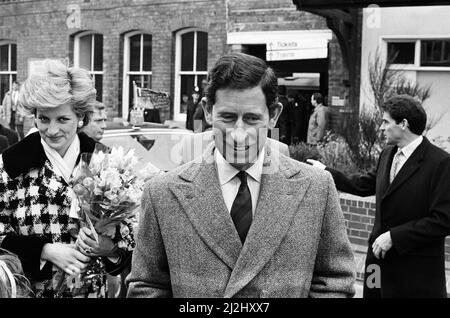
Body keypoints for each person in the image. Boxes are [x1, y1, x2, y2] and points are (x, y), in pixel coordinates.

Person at [127, 52, 355, 298]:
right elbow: (147, 286)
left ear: (274, 115)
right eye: (227, 117)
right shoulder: (162, 193)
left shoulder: (317, 188)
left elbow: (335, 282)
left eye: (251, 119)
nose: (238, 134)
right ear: (207, 110)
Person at [0, 59, 132, 298]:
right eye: (43, 119)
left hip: (92, 291)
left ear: (80, 117)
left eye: (62, 120)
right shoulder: (10, 165)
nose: (51, 130)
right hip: (31, 290)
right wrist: (44, 250)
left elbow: (131, 239)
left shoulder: (105, 161)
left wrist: (109, 248)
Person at [307, 94, 450, 298]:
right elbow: (364, 185)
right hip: (377, 264)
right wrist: (326, 171)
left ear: (403, 124)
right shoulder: (387, 153)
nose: (381, 128)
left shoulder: (441, 163)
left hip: (415, 272)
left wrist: (395, 237)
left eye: (385, 121)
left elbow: (444, 220)